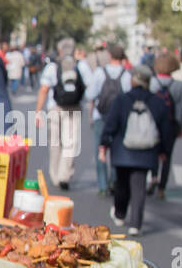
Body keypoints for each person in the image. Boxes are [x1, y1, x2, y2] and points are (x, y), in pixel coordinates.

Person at [99, 65, 172, 236]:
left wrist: (104, 144)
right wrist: (164, 150)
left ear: (132, 81)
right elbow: (165, 130)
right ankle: (136, 224)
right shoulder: (157, 102)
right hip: (146, 152)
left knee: (121, 184)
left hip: (122, 150)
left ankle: (119, 213)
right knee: (138, 187)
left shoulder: (122, 100)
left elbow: (111, 124)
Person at [35, 38, 88, 190]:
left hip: (55, 108)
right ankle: (65, 175)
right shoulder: (80, 66)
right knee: (70, 142)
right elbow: (89, 88)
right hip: (74, 108)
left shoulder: (52, 67)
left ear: (59, 50)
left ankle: (55, 175)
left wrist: (38, 112)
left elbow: (44, 89)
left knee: (55, 143)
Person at [84, 43, 130, 196]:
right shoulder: (127, 75)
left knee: (100, 149)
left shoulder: (99, 73)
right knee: (117, 150)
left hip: (101, 116)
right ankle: (114, 182)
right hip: (120, 119)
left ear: (110, 56)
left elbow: (90, 94)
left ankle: (102, 186)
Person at [149, 52, 182, 200]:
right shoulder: (178, 85)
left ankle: (153, 176)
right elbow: (181, 110)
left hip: (154, 123)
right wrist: (181, 128)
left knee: (152, 152)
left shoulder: (152, 83)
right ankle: (161, 188)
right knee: (167, 157)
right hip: (171, 125)